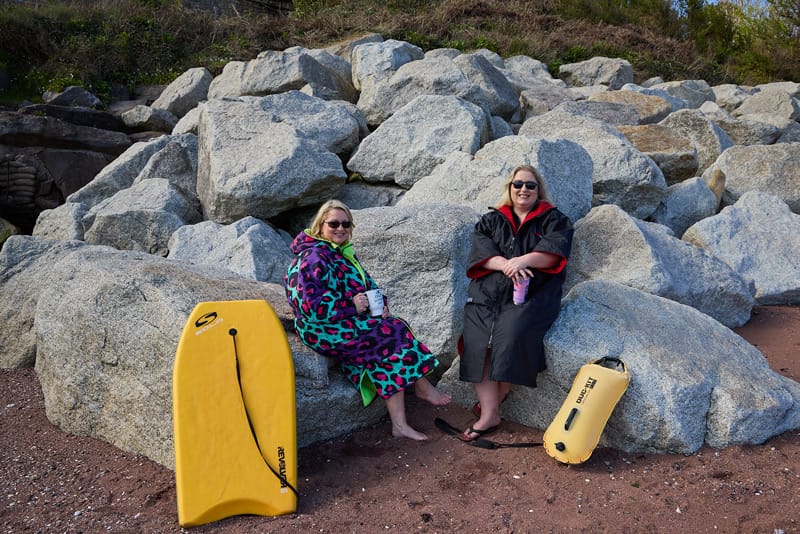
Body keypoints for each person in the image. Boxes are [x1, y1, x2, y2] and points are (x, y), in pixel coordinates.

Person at [284, 199, 451, 441]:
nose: (340, 228)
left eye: (346, 224)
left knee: (393, 327)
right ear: (320, 226)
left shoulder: (340, 253)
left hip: (341, 320)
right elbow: (311, 308)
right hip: (320, 329)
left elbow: (368, 286)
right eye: (334, 224)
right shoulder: (313, 258)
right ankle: (420, 392)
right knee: (389, 336)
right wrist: (351, 306)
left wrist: (380, 304)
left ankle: (403, 420)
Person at [459, 165, 573, 441]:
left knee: (511, 334)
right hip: (488, 293)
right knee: (475, 341)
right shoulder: (491, 220)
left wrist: (524, 260)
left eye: (530, 185)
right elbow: (480, 254)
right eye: (518, 184)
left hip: (531, 295)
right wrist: (507, 264)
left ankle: (496, 403)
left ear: (539, 190)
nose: (524, 189)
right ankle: (490, 413)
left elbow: (553, 254)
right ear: (510, 188)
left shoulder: (554, 219)